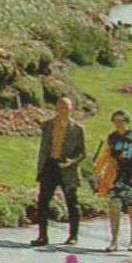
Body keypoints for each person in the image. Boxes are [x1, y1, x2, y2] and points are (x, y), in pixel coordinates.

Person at [32, 96, 86, 246]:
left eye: (66, 108)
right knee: (43, 201)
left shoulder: (77, 129)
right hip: (50, 165)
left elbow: (82, 153)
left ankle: (73, 236)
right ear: (56, 108)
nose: (63, 110)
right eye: (60, 107)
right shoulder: (48, 125)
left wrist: (71, 162)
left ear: (71, 110)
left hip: (67, 168)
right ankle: (42, 236)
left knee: (71, 202)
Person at [96, 109, 132, 252]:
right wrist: (103, 175)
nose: (119, 124)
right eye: (116, 121)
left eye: (122, 121)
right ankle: (114, 240)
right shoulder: (112, 138)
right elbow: (107, 156)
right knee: (114, 205)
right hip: (117, 176)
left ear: (127, 122)